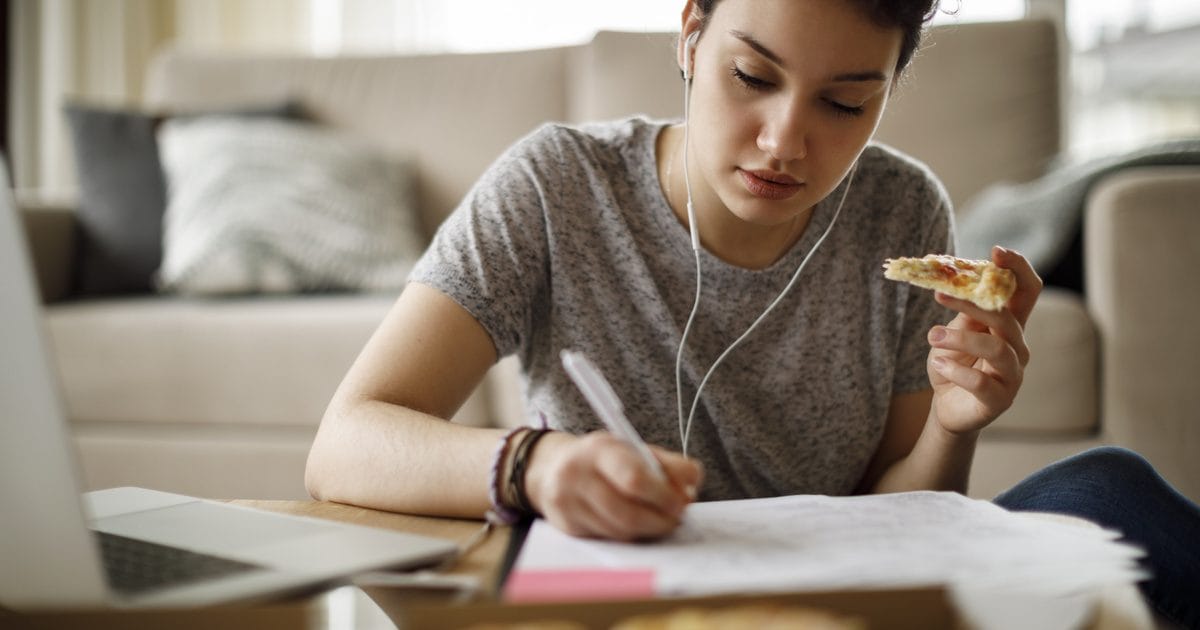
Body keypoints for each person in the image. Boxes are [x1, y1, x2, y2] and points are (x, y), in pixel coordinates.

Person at [305, 1, 1200, 626]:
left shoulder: (900, 208)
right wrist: (535, 466)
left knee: (1108, 487)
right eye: (751, 76)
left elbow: (906, 517)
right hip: (634, 602)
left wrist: (955, 424)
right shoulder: (557, 187)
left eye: (846, 102)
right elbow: (347, 441)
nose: (785, 142)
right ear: (691, 34)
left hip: (833, 599)